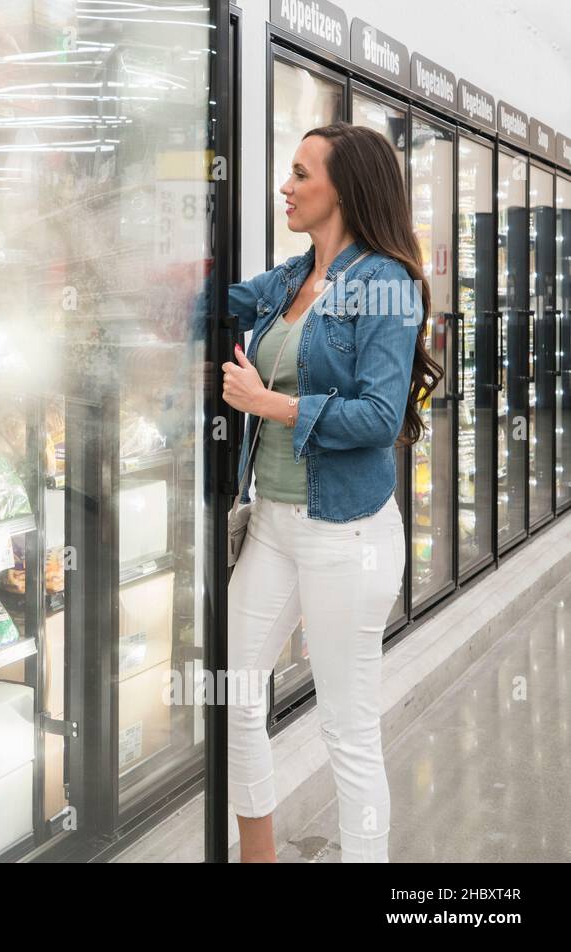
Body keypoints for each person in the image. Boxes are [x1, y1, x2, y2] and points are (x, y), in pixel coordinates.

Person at [221, 122, 442, 862]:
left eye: (300, 174)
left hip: (345, 533)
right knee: (232, 695)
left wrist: (272, 405)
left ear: (343, 189)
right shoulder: (290, 279)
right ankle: (258, 856)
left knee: (347, 730)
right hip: (272, 528)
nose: (286, 186)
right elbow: (216, 305)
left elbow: (381, 418)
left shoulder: (389, 284)